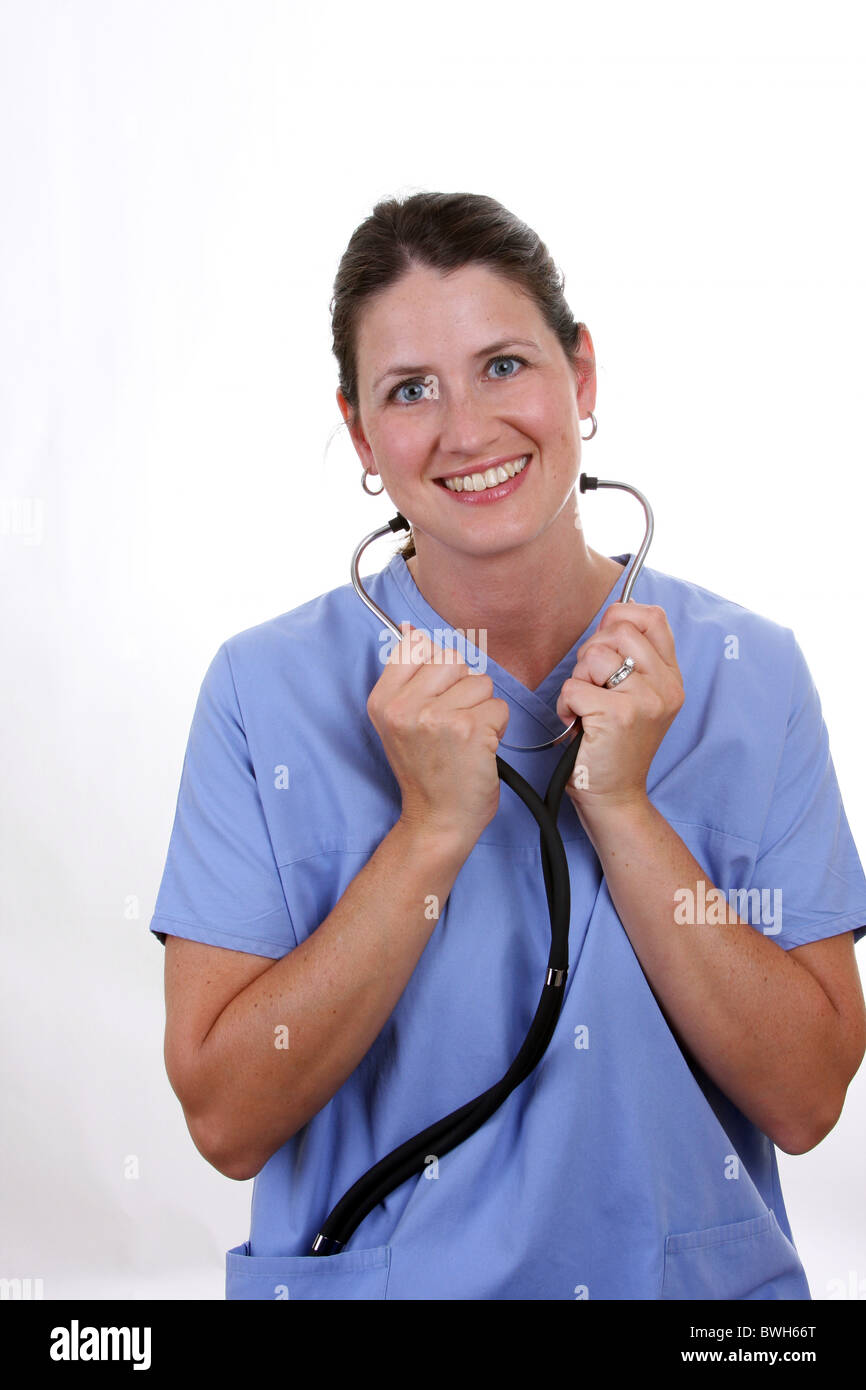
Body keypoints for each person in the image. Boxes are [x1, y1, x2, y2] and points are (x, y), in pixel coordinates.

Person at [150, 191, 866, 1301]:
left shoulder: (750, 671)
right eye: (409, 390)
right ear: (359, 434)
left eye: (501, 366)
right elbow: (228, 1118)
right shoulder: (262, 691)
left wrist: (622, 810)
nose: (467, 429)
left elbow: (808, 1098)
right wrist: (428, 836)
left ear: (580, 377)